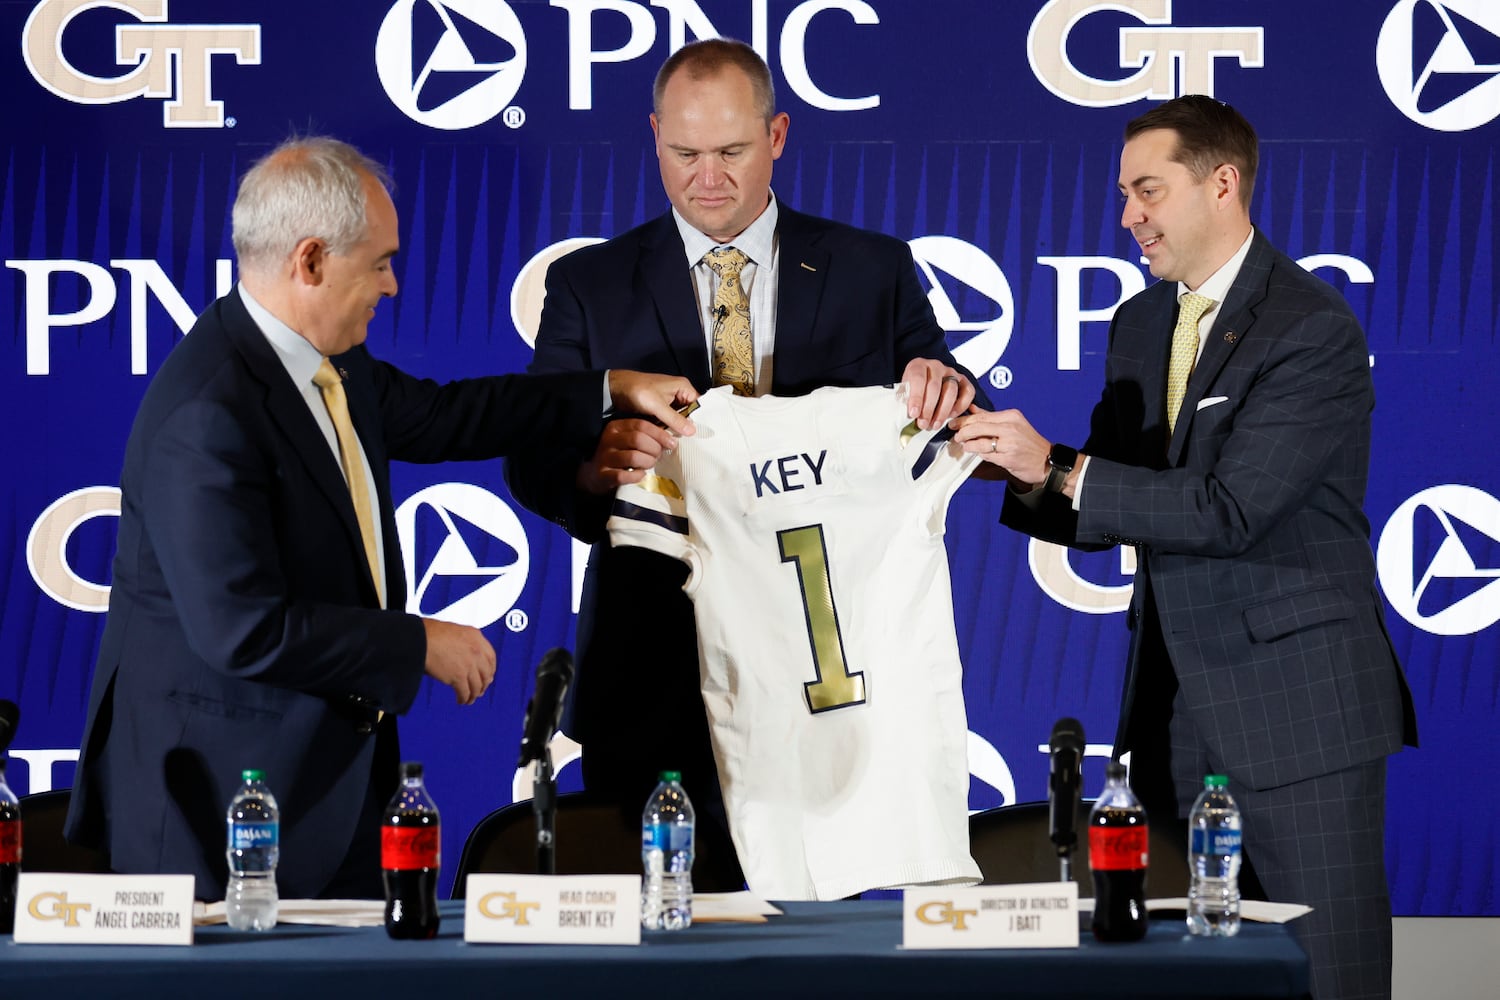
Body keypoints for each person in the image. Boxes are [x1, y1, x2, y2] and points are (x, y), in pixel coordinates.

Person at [63, 136, 698, 901]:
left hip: (331, 798)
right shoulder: (209, 413)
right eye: (379, 262)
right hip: (221, 816)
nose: (393, 285)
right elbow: (243, 628)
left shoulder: (325, 362)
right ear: (310, 262)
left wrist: (611, 387)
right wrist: (419, 641)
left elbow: (443, 415)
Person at [951, 96, 1416, 1000]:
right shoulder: (1138, 324)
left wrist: (1059, 464)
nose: (1127, 216)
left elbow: (1229, 509)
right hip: (1167, 714)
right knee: (1179, 977)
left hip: (1299, 721)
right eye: (1125, 194)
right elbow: (1115, 495)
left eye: (1147, 191)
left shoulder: (1310, 331)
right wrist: (1005, 469)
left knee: (1330, 977)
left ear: (1222, 184)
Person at [503, 38, 984, 888]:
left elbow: (938, 409)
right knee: (657, 934)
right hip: (651, 656)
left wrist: (943, 389)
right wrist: (594, 470)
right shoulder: (589, 284)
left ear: (779, 137)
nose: (708, 177)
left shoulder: (874, 271)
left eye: (731, 152)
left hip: (828, 668)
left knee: (824, 933)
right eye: (684, 153)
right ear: (654, 135)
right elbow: (535, 458)